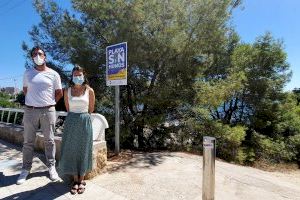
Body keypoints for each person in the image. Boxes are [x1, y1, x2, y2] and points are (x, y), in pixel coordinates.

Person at [17, 46, 63, 184]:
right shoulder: (27, 73)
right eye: (35, 54)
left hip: (48, 110)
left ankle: (51, 167)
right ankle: (25, 169)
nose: (38, 56)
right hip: (30, 110)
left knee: (49, 141)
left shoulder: (54, 74)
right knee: (28, 142)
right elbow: (25, 90)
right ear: (32, 58)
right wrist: (34, 102)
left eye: (40, 53)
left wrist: (49, 103)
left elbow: (59, 92)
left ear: (45, 56)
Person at [59, 65, 95, 194]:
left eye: (80, 75)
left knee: (84, 150)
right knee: (72, 150)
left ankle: (82, 180)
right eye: (75, 75)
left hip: (84, 122)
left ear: (84, 75)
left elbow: (91, 109)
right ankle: (75, 180)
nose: (77, 77)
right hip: (71, 122)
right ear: (72, 76)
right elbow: (68, 108)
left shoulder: (89, 90)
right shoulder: (67, 90)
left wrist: (81, 115)